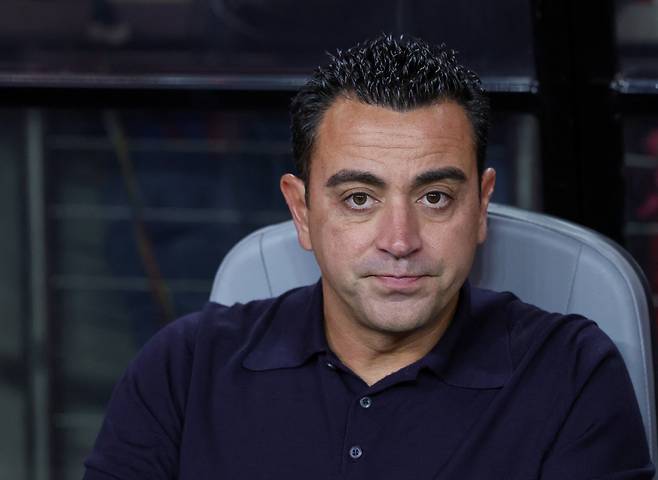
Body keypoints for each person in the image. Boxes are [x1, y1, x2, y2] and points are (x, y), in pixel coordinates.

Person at [83, 34, 654, 479]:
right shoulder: (183, 369)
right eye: (359, 199)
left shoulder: (571, 374)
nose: (400, 241)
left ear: (480, 209)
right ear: (302, 211)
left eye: (435, 198)